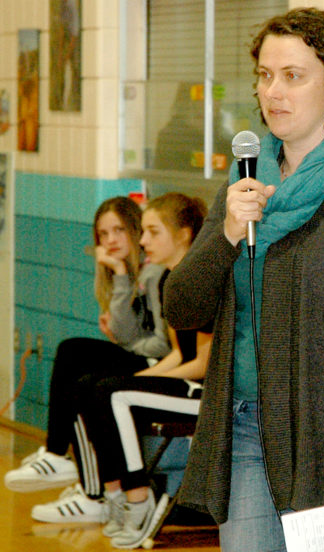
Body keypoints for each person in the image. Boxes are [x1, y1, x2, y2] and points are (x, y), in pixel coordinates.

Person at [163, 7, 324, 552]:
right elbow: (181, 309)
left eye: (293, 76)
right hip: (245, 431)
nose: (273, 92)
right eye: (264, 76)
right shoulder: (244, 187)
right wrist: (227, 235)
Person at [4, 196, 171, 522]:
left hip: (162, 367)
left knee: (74, 355)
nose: (110, 241)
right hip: (145, 357)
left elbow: (160, 346)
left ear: (136, 231)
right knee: (76, 371)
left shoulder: (155, 273)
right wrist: (120, 276)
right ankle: (85, 483)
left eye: (118, 231)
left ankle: (62, 460)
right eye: (103, 234)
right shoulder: (129, 272)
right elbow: (128, 336)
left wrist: (122, 277)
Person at [79, 192, 211, 550]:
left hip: (208, 394)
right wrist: (137, 381)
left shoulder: (200, 280)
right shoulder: (171, 280)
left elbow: (202, 363)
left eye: (152, 232)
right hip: (186, 381)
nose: (142, 241)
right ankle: (114, 494)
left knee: (112, 392)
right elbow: (175, 353)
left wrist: (139, 384)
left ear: (183, 234)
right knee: (102, 388)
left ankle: (138, 497)